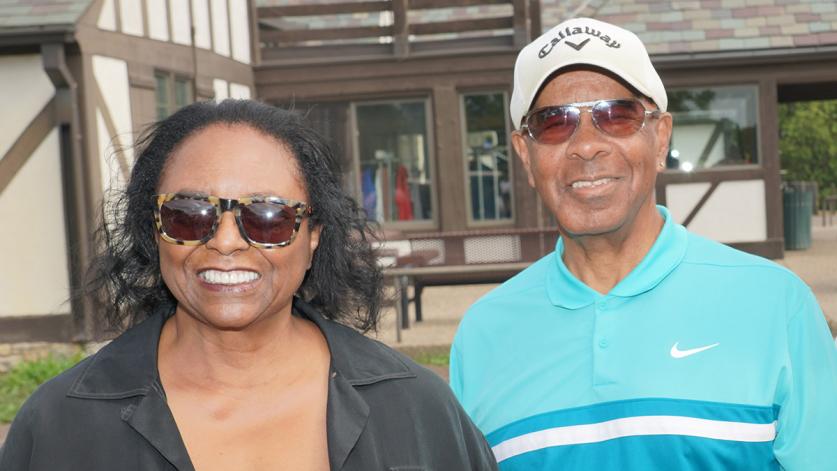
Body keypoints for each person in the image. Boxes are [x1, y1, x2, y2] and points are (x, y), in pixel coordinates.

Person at [0, 100, 497, 470]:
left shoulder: (418, 411)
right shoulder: (58, 426)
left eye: (268, 217)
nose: (226, 241)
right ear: (153, 230)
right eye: (189, 215)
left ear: (314, 236)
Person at [449, 17, 837, 470]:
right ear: (525, 155)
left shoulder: (776, 304)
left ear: (660, 137)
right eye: (554, 123)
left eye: (617, 115)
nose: (586, 146)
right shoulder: (481, 337)